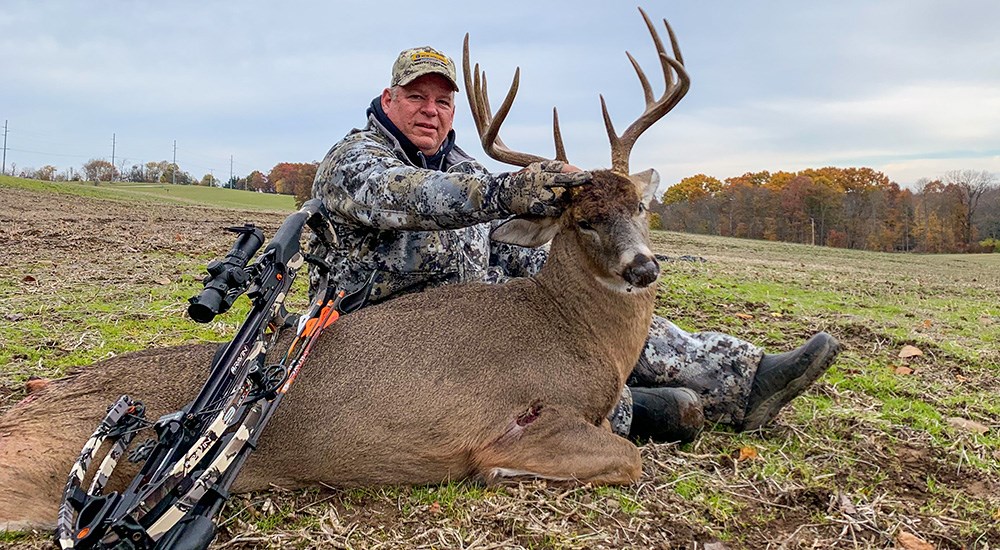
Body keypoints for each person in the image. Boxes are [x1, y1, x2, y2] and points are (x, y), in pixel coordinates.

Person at [308, 46, 841, 443]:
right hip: (386, 344)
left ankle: (742, 380)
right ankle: (633, 411)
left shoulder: (463, 165)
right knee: (560, 386)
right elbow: (413, 197)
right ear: (388, 99)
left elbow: (509, 244)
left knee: (583, 308)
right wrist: (507, 191)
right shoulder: (356, 161)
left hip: (474, 324)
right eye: (416, 97)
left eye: (442, 101)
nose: (431, 110)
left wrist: (582, 242)